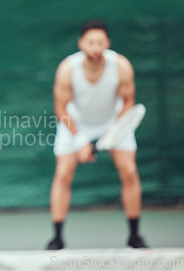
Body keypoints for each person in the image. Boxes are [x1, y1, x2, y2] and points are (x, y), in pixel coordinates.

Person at [46, 19, 148, 250]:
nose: (95, 47)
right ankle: (57, 238)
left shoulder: (121, 66)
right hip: (74, 121)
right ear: (81, 43)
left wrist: (111, 133)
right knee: (62, 174)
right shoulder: (67, 69)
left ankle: (134, 236)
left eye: (100, 42)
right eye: (90, 42)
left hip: (113, 120)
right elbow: (60, 108)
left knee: (130, 171)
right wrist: (80, 140)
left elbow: (128, 102)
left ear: (107, 43)